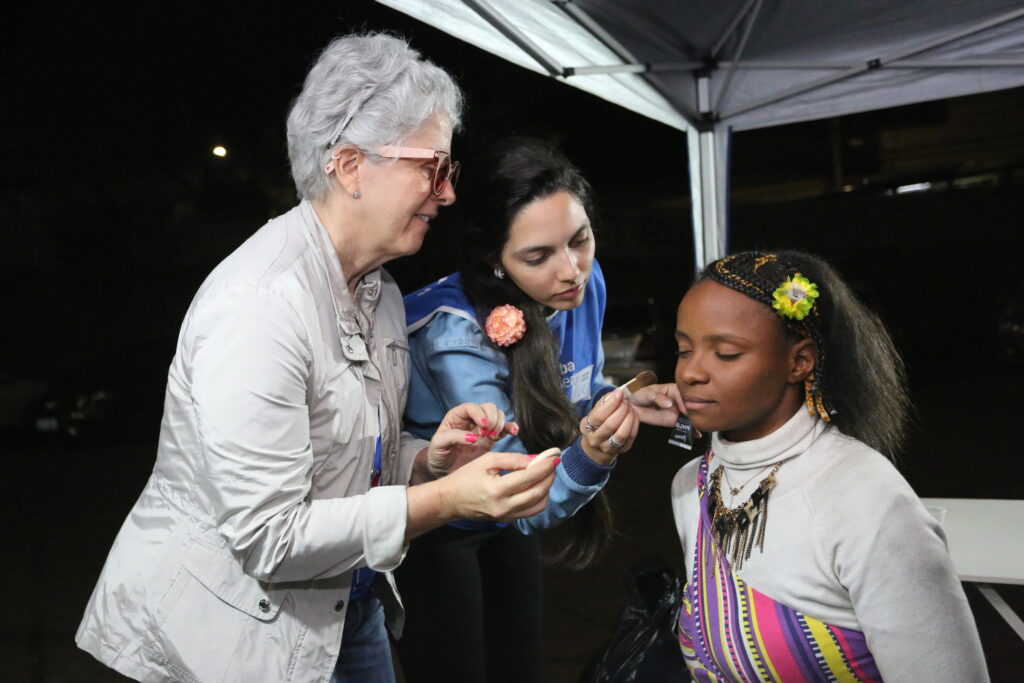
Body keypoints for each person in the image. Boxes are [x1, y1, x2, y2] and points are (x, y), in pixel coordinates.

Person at [75, 34, 560, 683]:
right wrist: (445, 499)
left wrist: (425, 460)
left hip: (343, 608)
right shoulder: (260, 305)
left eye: (450, 171)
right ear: (350, 165)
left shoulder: (379, 290)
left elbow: (342, 462)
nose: (446, 194)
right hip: (227, 638)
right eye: (431, 167)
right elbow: (270, 535)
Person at [395, 138, 684, 682]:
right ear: (494, 261)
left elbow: (577, 387)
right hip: (439, 515)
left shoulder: (581, 285)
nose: (571, 270)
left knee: (520, 666)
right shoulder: (455, 335)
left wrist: (620, 399)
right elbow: (520, 490)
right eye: (538, 256)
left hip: (512, 512)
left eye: (580, 240)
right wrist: (592, 456)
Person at [670, 251, 988, 681]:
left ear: (799, 361)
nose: (691, 372)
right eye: (683, 349)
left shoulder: (866, 501)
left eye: (725, 354)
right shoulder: (693, 485)